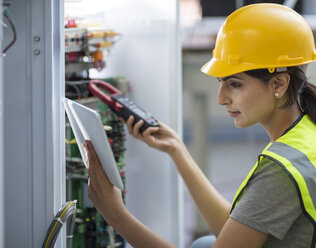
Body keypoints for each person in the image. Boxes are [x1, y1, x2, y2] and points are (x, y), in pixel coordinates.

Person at [82, 3, 316, 248]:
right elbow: (237, 227)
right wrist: (177, 150)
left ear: (279, 84)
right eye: (221, 82)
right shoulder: (306, 132)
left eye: (235, 84)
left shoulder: (279, 173)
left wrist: (115, 214)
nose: (221, 98)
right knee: (204, 243)